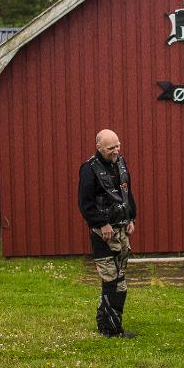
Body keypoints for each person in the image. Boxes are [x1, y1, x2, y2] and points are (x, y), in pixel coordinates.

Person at [78, 129, 137, 338]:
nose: (116, 150)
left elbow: (127, 194)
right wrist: (102, 224)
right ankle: (108, 328)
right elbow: (85, 204)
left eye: (118, 145)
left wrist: (131, 218)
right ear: (99, 147)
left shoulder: (120, 163)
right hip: (103, 234)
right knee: (110, 279)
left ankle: (113, 325)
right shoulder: (89, 169)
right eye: (111, 148)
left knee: (121, 280)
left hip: (122, 230)